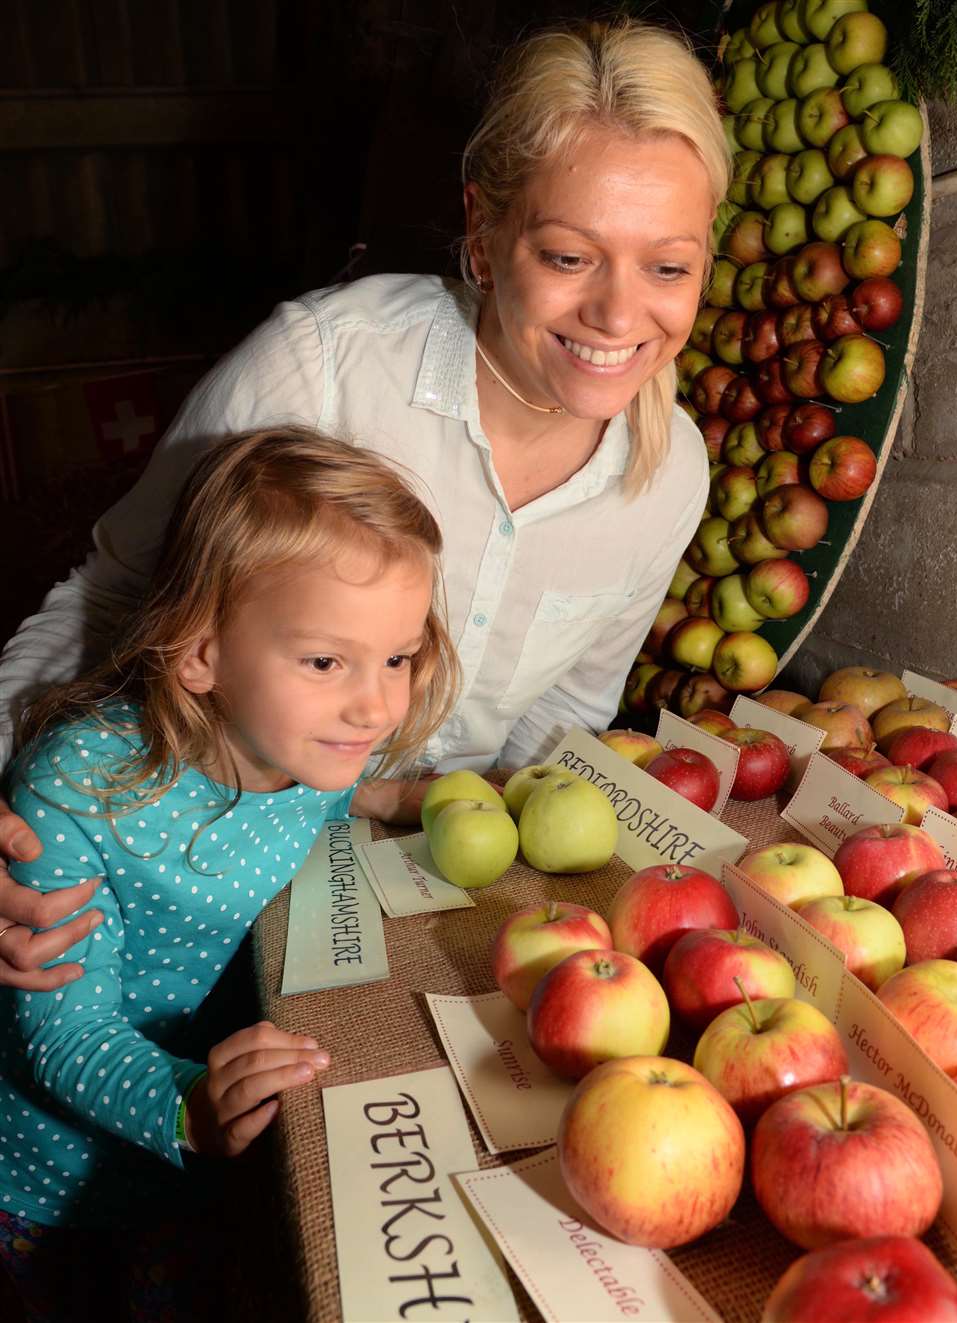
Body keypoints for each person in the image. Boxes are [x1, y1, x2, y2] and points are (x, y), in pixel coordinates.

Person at [0, 21, 728, 986]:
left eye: (667, 267)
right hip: (180, 869)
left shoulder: (669, 473)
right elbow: (108, 595)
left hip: (419, 885)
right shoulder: (323, 370)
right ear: (483, 231)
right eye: (567, 257)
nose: (618, 315)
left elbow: (561, 718)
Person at [0, 426, 459, 1320]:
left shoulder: (301, 741)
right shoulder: (73, 794)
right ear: (201, 652)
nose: (375, 703)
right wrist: (189, 1108)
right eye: (327, 660)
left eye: (397, 657)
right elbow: (63, 1035)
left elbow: (334, 790)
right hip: (54, 1180)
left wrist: (409, 798)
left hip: (208, 1143)